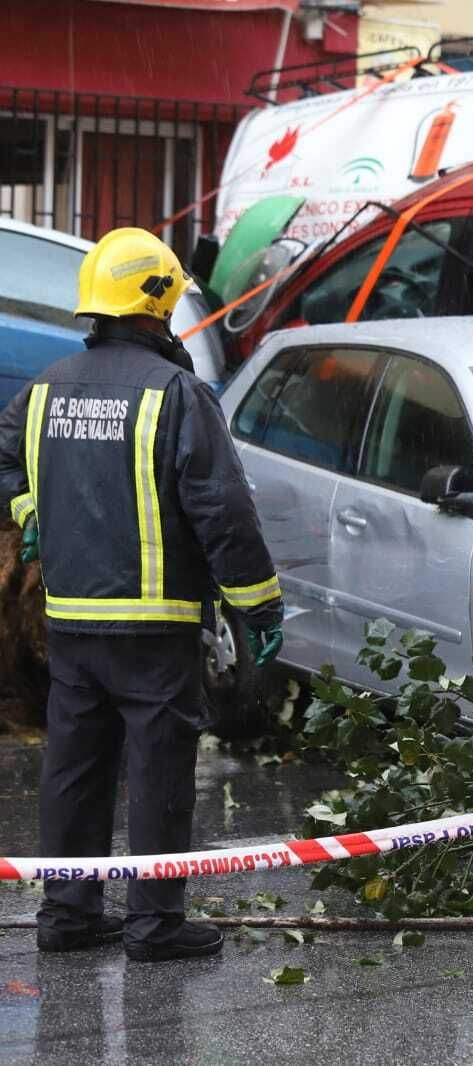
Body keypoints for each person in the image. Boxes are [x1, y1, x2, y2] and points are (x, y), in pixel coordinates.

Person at [0, 228, 284, 962]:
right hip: (154, 629)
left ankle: (67, 916)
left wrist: (31, 515)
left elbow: (5, 461)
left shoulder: (45, 388)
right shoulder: (177, 395)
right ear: (156, 303)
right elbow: (223, 510)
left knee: (74, 768)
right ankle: (155, 925)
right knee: (159, 772)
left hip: (71, 622)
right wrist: (258, 606)